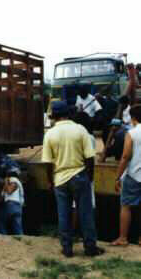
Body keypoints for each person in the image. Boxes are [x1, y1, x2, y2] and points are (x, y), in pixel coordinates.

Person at [42, 100, 104, 257]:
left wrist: (50, 181)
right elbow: (90, 158)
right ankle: (90, 247)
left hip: (60, 179)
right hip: (79, 175)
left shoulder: (49, 134)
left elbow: (48, 163)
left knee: (63, 214)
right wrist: (89, 177)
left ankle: (67, 248)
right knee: (86, 214)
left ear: (54, 116)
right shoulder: (80, 129)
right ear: (68, 114)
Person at [111, 104, 141, 246]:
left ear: (133, 118)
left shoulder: (132, 133)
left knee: (126, 206)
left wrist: (117, 177)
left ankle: (123, 238)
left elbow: (125, 156)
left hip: (134, 175)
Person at [0, 154, 24, 235]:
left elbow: (9, 191)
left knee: (1, 223)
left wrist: (5, 181)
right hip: (18, 208)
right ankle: (22, 243)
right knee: (18, 228)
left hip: (11, 205)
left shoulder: (13, 180)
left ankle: (4, 239)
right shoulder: (17, 182)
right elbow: (3, 194)